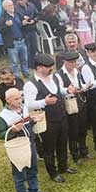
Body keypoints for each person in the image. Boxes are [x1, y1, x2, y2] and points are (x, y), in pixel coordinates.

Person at [24, 54, 74, 183]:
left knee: (63, 143)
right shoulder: (30, 85)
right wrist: (44, 102)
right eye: (48, 67)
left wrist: (67, 90)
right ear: (39, 68)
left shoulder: (53, 78)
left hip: (61, 116)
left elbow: (58, 90)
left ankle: (63, 166)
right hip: (47, 120)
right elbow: (28, 104)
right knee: (49, 148)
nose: (51, 69)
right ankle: (53, 172)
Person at [0, 87, 49, 192]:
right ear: (7, 100)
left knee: (33, 168)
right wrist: (12, 131)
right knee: (19, 174)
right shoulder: (2, 116)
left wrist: (34, 120)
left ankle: (34, 190)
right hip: (17, 147)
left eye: (20, 97)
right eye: (16, 99)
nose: (19, 101)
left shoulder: (23, 108)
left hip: (29, 143)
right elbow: (0, 134)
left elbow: (27, 122)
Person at [54, 51, 90, 164]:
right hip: (70, 105)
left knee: (83, 128)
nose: (73, 64)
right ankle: (75, 155)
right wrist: (67, 90)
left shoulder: (76, 71)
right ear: (64, 61)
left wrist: (85, 86)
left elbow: (79, 84)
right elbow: (58, 90)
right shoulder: (58, 75)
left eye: (75, 61)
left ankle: (84, 150)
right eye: (71, 62)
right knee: (73, 131)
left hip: (80, 103)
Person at [0, 0, 30, 79]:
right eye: (9, 6)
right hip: (12, 43)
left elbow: (22, 24)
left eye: (12, 5)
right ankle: (16, 76)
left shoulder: (17, 14)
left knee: (24, 59)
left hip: (21, 40)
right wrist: (6, 26)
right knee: (14, 62)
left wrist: (24, 23)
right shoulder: (2, 18)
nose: (12, 7)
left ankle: (25, 72)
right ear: (5, 8)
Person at [15, 0, 40, 68]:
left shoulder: (31, 6)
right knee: (27, 48)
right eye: (18, 0)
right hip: (24, 31)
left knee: (34, 47)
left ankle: (33, 63)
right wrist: (23, 21)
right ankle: (27, 65)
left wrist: (34, 20)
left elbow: (37, 15)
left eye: (21, 0)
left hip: (32, 29)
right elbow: (16, 20)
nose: (20, 2)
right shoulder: (16, 8)